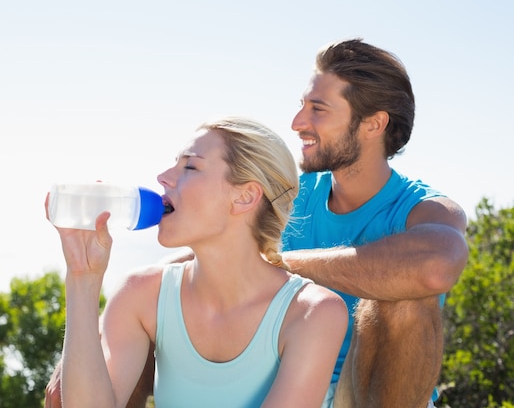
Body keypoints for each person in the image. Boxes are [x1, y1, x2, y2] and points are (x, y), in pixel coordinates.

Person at [47, 117, 348, 408]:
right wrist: (82, 277)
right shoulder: (140, 296)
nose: (163, 177)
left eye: (190, 166)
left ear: (244, 197)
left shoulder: (313, 314)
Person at [280, 38, 468, 408]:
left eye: (318, 109)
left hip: (372, 395)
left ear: (373, 124)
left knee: (406, 299)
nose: (297, 123)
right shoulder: (286, 197)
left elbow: (435, 266)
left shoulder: (426, 209)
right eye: (302, 106)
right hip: (290, 386)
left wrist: (279, 264)